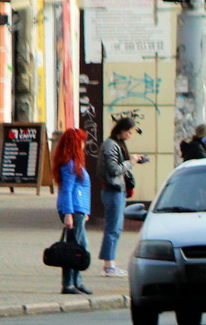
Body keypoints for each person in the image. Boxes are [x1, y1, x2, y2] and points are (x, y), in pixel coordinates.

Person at [99, 116, 146, 277]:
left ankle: (110, 262)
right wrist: (131, 161)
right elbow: (114, 169)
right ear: (123, 130)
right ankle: (108, 264)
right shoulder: (111, 144)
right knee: (113, 228)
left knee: (116, 228)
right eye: (130, 132)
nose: (131, 135)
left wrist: (133, 160)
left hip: (118, 190)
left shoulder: (116, 143)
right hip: (113, 190)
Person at [52, 128, 92, 295]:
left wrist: (85, 211)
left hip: (78, 210)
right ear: (76, 143)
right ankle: (68, 284)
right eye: (81, 141)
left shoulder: (73, 163)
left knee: (80, 246)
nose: (84, 144)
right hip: (73, 209)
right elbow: (67, 190)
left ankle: (76, 282)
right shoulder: (70, 164)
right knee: (73, 249)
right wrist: (69, 214)